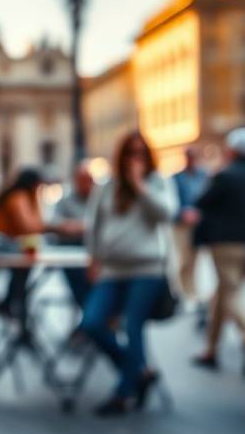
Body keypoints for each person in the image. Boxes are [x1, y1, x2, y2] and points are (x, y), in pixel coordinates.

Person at [80, 132, 177, 417]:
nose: (136, 159)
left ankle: (123, 393)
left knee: (132, 326)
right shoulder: (108, 186)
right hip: (112, 268)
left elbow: (166, 214)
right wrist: (93, 258)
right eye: (130, 154)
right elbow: (94, 224)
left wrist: (139, 185)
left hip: (147, 268)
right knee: (92, 323)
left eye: (141, 154)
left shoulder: (158, 182)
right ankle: (138, 370)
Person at [192, 128, 245, 371]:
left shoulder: (224, 175)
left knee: (230, 292)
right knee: (222, 294)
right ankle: (210, 350)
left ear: (233, 150)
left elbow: (202, 202)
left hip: (224, 243)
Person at [0, 168, 47, 315]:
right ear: (34, 184)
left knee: (19, 267)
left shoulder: (17, 195)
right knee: (21, 265)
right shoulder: (19, 197)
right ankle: (11, 305)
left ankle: (7, 305)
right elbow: (30, 226)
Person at [50, 160, 95, 307]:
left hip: (95, 253)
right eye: (83, 180)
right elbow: (56, 224)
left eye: (89, 180)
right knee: (80, 287)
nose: (87, 184)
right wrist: (84, 227)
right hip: (71, 251)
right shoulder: (65, 200)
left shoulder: (99, 199)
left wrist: (78, 227)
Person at [171, 147, 208, 304]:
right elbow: (171, 202)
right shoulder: (176, 178)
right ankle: (186, 292)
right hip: (181, 225)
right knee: (184, 259)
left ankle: (192, 289)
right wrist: (182, 213)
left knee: (194, 259)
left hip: (198, 224)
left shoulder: (203, 175)